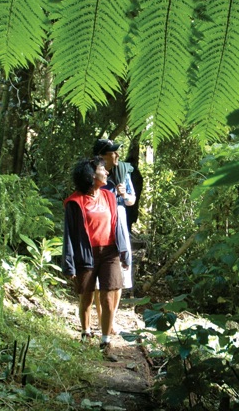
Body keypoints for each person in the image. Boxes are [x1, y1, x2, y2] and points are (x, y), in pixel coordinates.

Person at [62, 156, 130, 361]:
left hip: (110, 252)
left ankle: (106, 340)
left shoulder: (109, 197)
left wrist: (124, 252)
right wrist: (69, 265)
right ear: (92, 175)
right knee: (87, 296)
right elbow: (70, 235)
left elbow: (117, 226)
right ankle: (85, 332)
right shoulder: (75, 202)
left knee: (109, 295)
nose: (106, 172)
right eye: (102, 169)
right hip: (86, 253)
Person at [92, 139, 136, 333]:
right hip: (100, 227)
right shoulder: (94, 175)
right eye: (113, 153)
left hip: (119, 226)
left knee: (120, 272)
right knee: (99, 274)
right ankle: (102, 320)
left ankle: (111, 320)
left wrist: (124, 195)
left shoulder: (123, 174)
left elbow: (131, 201)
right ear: (102, 156)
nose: (117, 155)